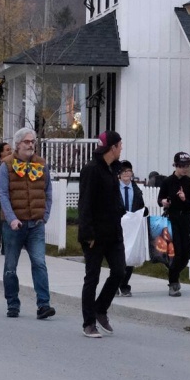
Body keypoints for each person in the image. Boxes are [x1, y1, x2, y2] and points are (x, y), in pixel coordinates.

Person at [0, 127, 55, 320]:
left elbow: (48, 191)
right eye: (27, 142)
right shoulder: (6, 165)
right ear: (18, 144)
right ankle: (12, 303)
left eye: (33, 142)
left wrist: (45, 215)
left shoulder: (41, 164)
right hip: (15, 225)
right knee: (10, 266)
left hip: (36, 224)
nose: (31, 145)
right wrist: (12, 219)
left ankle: (43, 305)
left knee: (39, 263)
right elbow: (3, 194)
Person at [77, 131, 126, 338]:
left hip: (113, 233)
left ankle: (100, 308)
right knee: (92, 278)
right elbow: (85, 203)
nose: (121, 148)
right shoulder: (92, 170)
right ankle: (88, 323)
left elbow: (114, 198)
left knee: (119, 271)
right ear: (112, 147)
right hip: (95, 235)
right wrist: (88, 233)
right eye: (120, 145)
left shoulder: (112, 168)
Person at [158, 151, 190, 297]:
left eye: (186, 166)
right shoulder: (168, 182)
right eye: (181, 166)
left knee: (187, 252)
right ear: (175, 165)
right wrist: (164, 202)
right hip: (172, 220)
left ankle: (173, 271)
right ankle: (173, 282)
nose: (184, 169)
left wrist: (183, 199)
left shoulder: (189, 183)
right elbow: (160, 198)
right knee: (177, 251)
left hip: (184, 220)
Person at [116, 160, 147, 297]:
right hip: (118, 226)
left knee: (130, 255)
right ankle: (116, 283)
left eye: (129, 171)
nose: (126, 175)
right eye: (124, 172)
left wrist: (143, 212)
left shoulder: (136, 190)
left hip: (132, 227)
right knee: (118, 256)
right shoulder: (114, 189)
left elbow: (141, 207)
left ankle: (124, 284)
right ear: (119, 174)